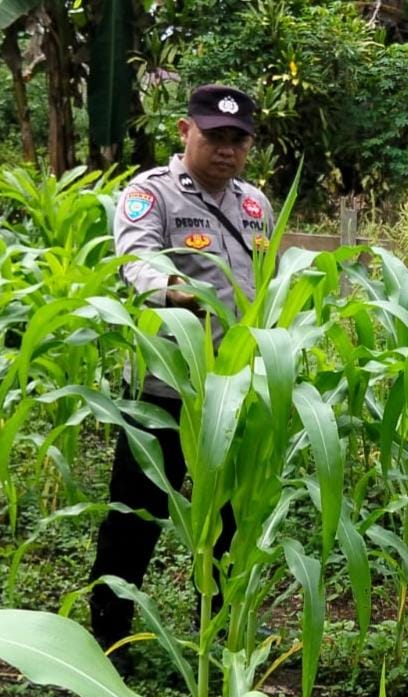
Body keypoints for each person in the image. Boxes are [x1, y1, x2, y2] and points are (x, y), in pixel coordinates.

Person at [88, 84, 275, 664]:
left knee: (229, 516)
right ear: (184, 131)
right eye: (215, 137)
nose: (226, 150)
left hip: (235, 390)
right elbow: (135, 257)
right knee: (138, 511)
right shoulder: (153, 194)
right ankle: (110, 633)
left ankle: (215, 633)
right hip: (165, 385)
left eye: (237, 140)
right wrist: (167, 290)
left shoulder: (255, 204)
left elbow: (265, 283)